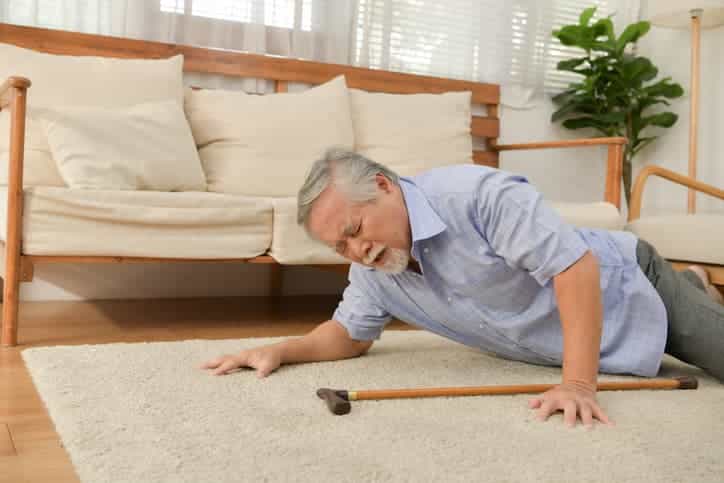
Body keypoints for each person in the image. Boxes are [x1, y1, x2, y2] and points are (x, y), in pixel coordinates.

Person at [201, 148, 724, 428]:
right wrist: (281, 349)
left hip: (630, 286)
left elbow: (575, 269)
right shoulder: (373, 269)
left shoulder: (478, 196)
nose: (356, 252)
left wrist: (579, 385)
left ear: (385, 186)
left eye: (355, 231)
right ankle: (696, 282)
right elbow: (349, 335)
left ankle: (684, 288)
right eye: (340, 248)